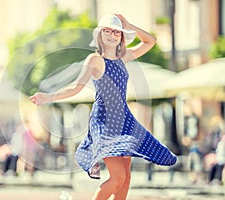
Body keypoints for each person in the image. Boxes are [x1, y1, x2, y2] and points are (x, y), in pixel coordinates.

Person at [30, 14, 177, 200]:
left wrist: (130, 25)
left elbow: (150, 41)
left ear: (122, 37)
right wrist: (49, 97)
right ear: (99, 35)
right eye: (107, 30)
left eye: (116, 31)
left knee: (126, 178)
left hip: (125, 119)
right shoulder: (94, 59)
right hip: (104, 119)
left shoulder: (123, 57)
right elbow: (76, 87)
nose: (112, 34)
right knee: (118, 177)